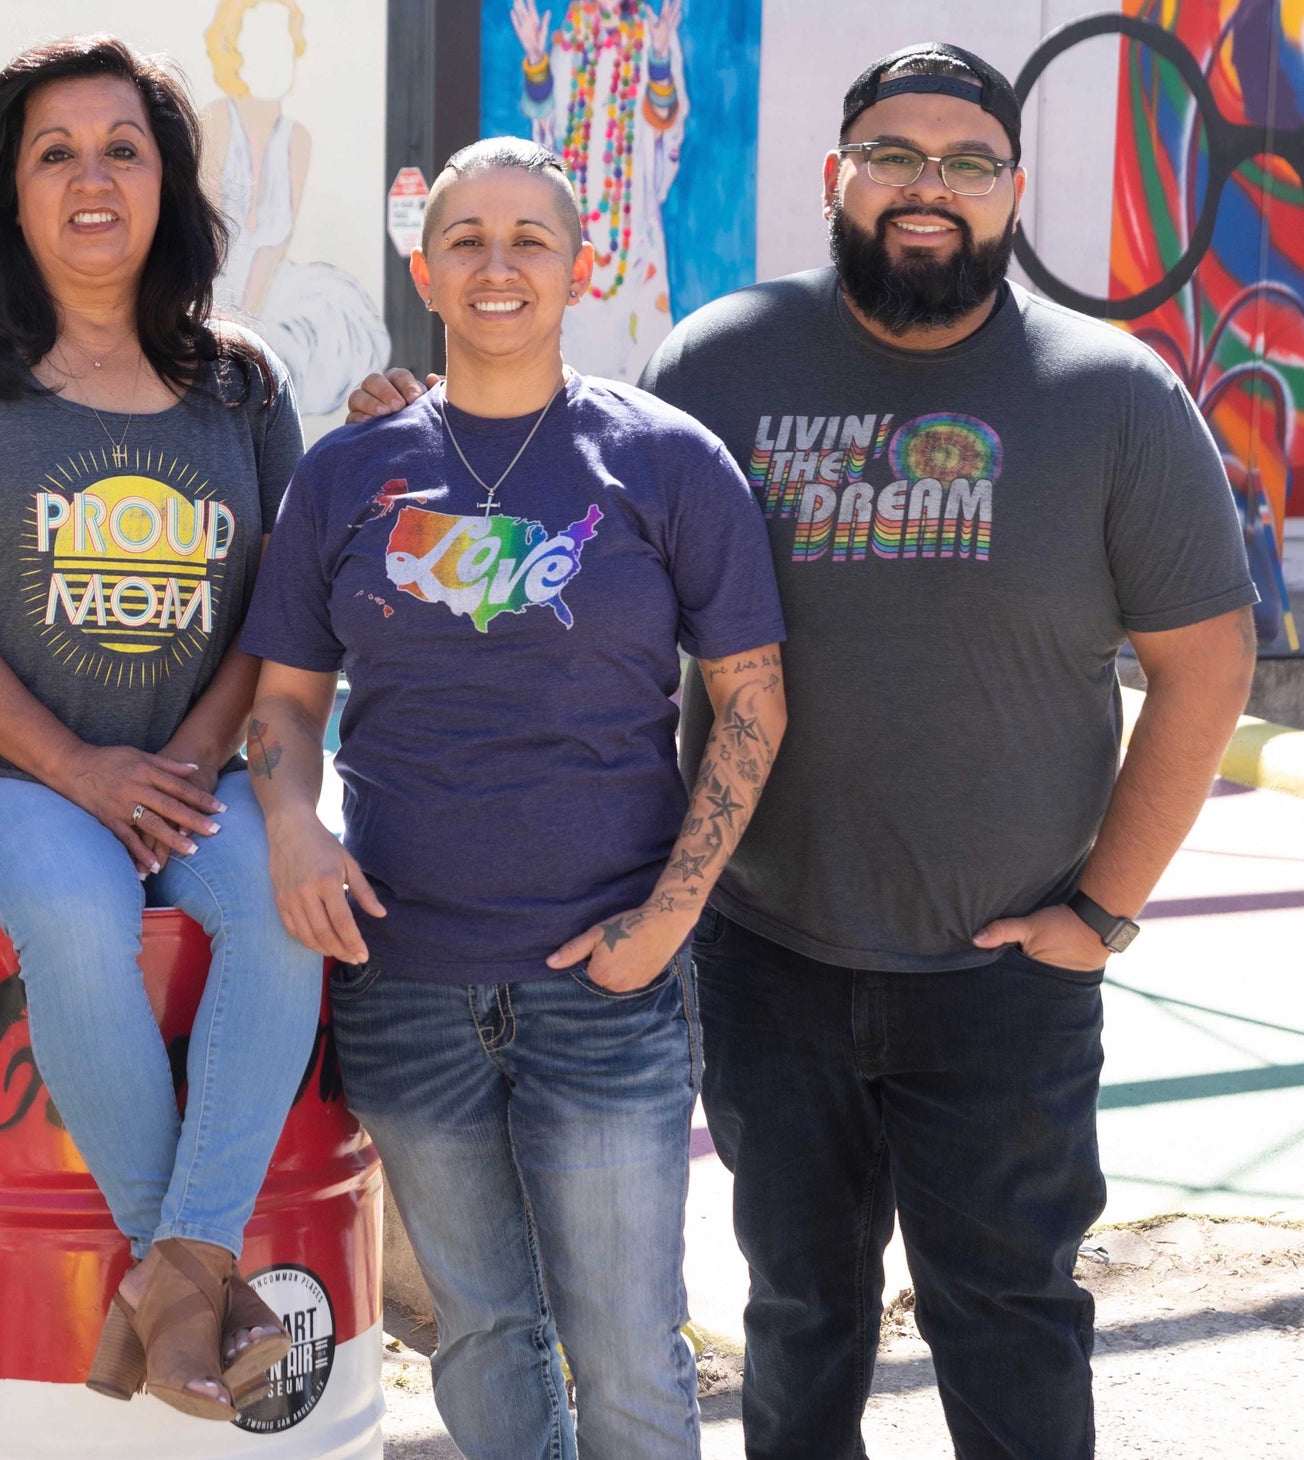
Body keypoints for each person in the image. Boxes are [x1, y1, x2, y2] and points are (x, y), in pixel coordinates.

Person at [350, 39, 1260, 1459]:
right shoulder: (722, 360)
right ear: (836, 178)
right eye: (894, 156)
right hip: (768, 955)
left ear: (1015, 193)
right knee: (798, 1316)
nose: (927, 188)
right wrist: (415, 443)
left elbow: (1209, 667)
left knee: (1009, 1317)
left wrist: (1100, 909)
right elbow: (572, 553)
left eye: (966, 163)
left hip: (1004, 976)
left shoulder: (1113, 396)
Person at [242, 137, 787, 1459]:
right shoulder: (347, 471)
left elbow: (754, 704)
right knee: (480, 1334)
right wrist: (291, 824)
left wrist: (665, 923)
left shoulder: (665, 461)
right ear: (424, 267)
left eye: (529, 238)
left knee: (628, 1350)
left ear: (578, 266)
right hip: (408, 978)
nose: (498, 265)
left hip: (606, 985)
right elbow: (284, 705)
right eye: (467, 239)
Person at [0, 34, 319, 1423]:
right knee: (73, 904)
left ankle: (174, 1272)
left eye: (124, 147)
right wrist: (81, 771)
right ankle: (191, 1292)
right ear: (11, 190)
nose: (92, 177)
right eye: (55, 152)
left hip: (190, 771)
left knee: (279, 900)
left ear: (169, 181)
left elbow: (282, 613)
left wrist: (183, 761)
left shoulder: (242, 382)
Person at [200, 0, 390, 417]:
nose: (276, 56)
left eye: (283, 42)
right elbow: (206, 233)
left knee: (338, 324)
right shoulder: (215, 121)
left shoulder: (297, 139)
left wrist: (249, 313)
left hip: (267, 283)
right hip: (211, 280)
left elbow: (276, 243)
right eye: (261, 43)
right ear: (236, 52)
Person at [510, 0, 690, 379]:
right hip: (580, 221)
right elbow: (546, 124)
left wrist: (658, 56)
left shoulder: (651, 33)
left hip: (633, 225)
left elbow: (666, 120)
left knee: (643, 353)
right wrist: (536, 58)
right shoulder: (570, 39)